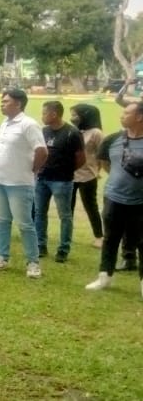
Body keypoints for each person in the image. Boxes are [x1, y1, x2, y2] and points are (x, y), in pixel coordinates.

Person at [85, 102, 143, 294]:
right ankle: (104, 277)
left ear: (139, 117)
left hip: (140, 202)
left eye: (126, 112)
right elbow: (105, 163)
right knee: (110, 238)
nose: (122, 115)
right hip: (114, 199)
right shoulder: (112, 139)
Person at [0, 89, 47, 278]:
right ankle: (2, 256)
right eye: (2, 101)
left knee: (24, 224)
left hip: (19, 183)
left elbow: (41, 151)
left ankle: (33, 262)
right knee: (2, 221)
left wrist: (33, 170)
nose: (2, 104)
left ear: (18, 104)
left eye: (6, 101)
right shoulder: (5, 124)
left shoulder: (28, 124)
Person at [34, 101, 84, 262]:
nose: (42, 116)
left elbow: (81, 158)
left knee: (65, 215)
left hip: (62, 181)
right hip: (42, 179)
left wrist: (66, 171)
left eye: (44, 113)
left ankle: (63, 249)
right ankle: (40, 245)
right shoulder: (43, 131)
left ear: (54, 114)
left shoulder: (72, 133)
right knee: (39, 213)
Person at [69, 104, 105, 250]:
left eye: (75, 115)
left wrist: (97, 170)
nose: (72, 118)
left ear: (85, 115)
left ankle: (99, 236)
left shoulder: (96, 133)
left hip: (88, 176)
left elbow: (102, 154)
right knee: (67, 207)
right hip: (70, 175)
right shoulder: (72, 130)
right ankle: (67, 235)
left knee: (90, 206)